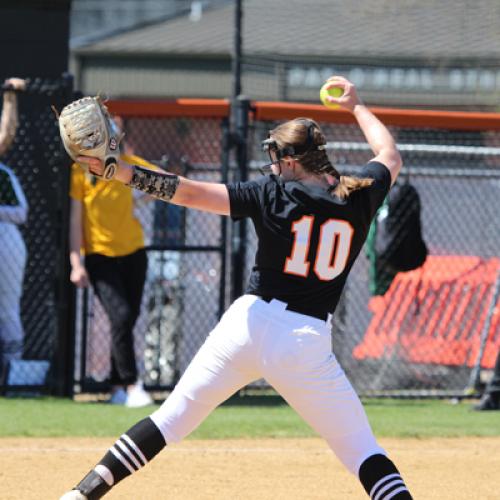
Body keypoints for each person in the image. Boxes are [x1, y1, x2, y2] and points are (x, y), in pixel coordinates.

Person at [61, 76, 413, 499]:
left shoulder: (271, 194)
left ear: (291, 159)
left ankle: (79, 495)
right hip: (305, 341)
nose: (272, 164)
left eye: (276, 156)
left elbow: (186, 191)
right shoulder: (360, 195)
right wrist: (356, 105)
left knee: (169, 420)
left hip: (248, 324)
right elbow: (389, 154)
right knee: (361, 451)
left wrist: (118, 171)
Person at [69, 116, 154, 408]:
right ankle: (132, 385)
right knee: (120, 316)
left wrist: (140, 198)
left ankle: (116, 385)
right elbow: (75, 221)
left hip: (134, 252)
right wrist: (76, 263)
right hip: (100, 256)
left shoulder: (129, 164)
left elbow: (167, 183)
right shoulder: (80, 172)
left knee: (127, 319)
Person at [0, 77, 28, 381]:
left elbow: (21, 213)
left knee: (7, 310)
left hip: (4, 238)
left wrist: (9, 98)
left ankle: (11, 376)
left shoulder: (3, 174)